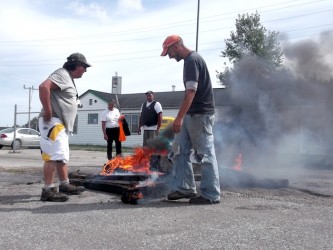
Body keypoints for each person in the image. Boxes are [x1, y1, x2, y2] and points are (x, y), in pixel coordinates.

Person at [160, 35, 221, 205]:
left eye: (169, 52)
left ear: (177, 46)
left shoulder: (192, 60)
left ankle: (211, 194)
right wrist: (183, 116)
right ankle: (185, 187)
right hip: (191, 114)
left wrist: (179, 117)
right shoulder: (190, 61)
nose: (170, 56)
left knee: (205, 154)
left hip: (200, 115)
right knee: (179, 150)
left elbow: (191, 91)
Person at [39, 52, 91, 202]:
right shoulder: (61, 74)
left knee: (61, 157)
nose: (85, 70)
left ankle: (64, 184)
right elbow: (44, 87)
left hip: (61, 125)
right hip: (53, 122)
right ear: (76, 65)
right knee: (51, 156)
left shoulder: (68, 78)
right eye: (84, 67)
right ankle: (47, 190)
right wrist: (48, 111)